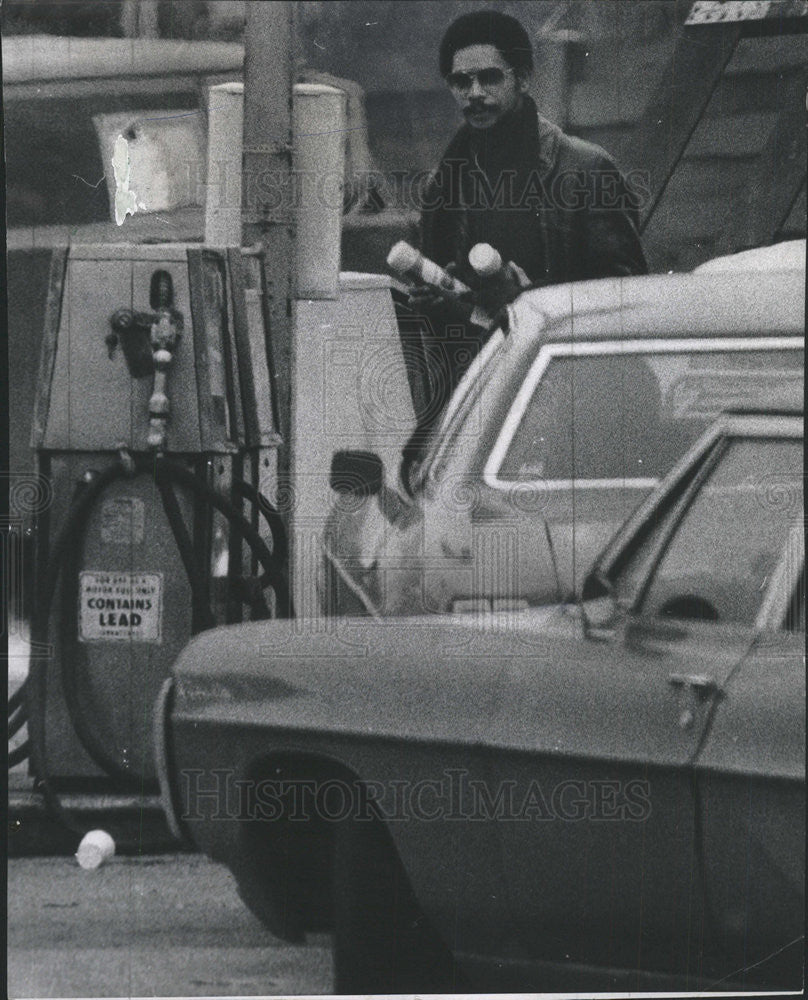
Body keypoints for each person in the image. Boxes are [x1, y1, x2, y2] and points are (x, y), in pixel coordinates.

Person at [400, 10, 648, 487]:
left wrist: (530, 295)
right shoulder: (444, 184)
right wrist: (439, 301)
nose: (475, 93)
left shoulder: (584, 170)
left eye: (490, 77)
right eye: (460, 81)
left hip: (575, 398)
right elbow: (456, 306)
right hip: (483, 397)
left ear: (523, 77)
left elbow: (628, 297)